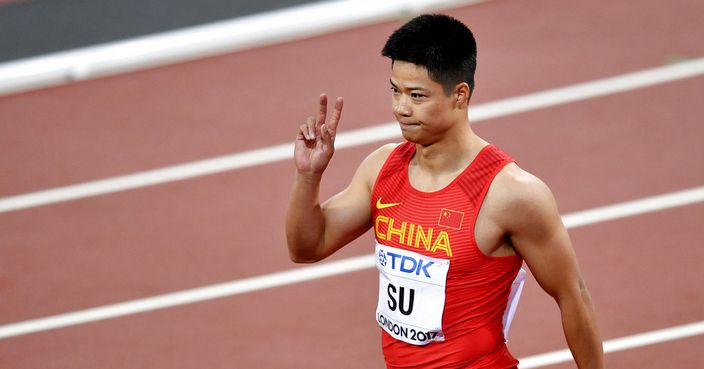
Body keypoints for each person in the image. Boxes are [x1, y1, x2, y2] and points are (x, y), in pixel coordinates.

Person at [286, 14, 604, 369]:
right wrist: (308, 176)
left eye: (417, 96)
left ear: (460, 96)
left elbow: (573, 296)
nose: (401, 108)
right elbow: (307, 247)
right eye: (395, 90)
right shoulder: (382, 169)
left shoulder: (510, 194)